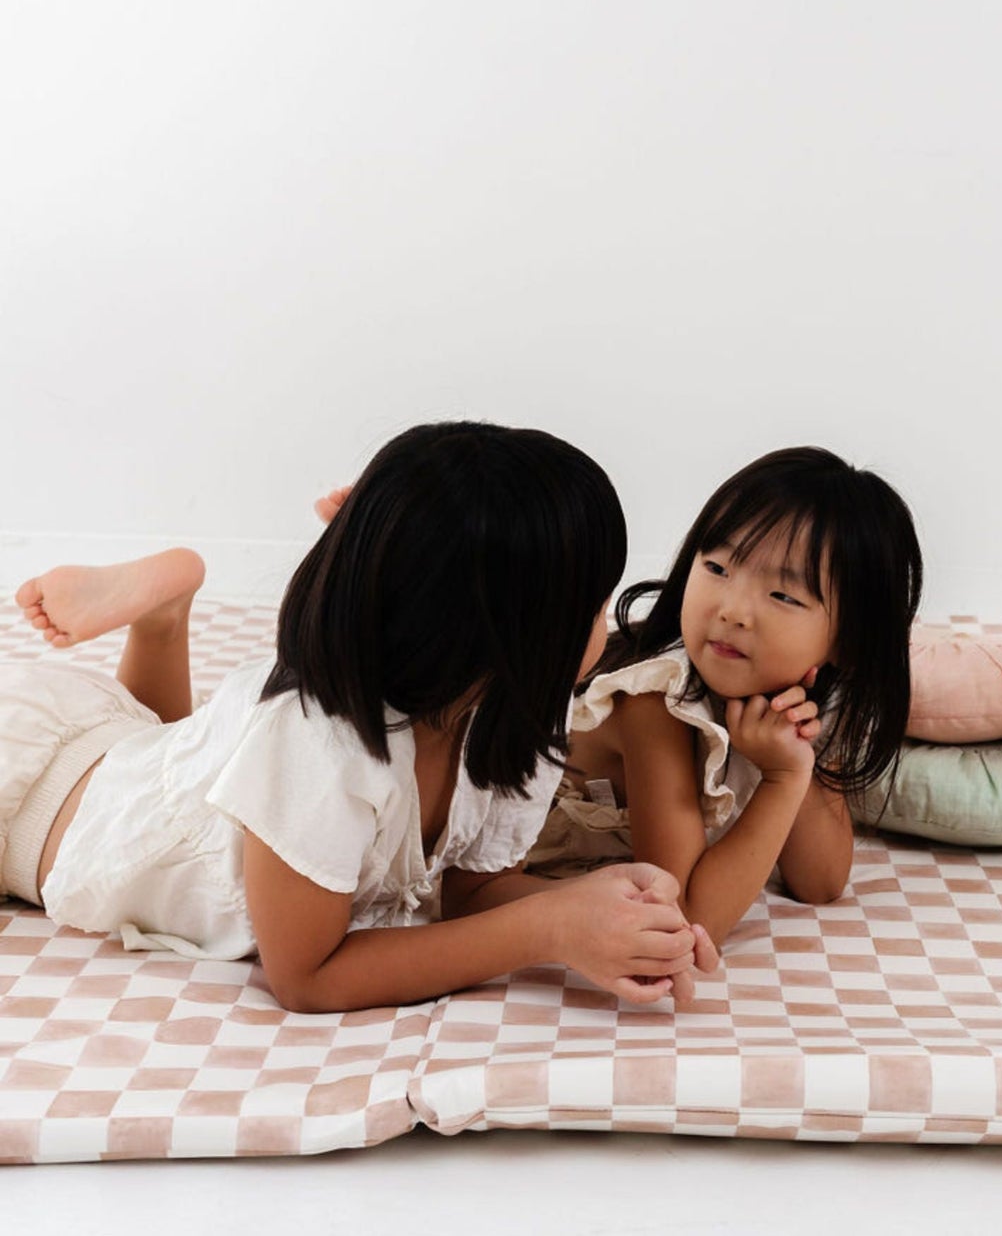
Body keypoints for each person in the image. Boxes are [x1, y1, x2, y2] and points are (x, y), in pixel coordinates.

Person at [2, 421, 714, 1012]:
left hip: (129, 769)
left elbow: (474, 890)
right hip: (20, 795)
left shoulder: (517, 705)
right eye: (592, 604)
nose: (607, 624)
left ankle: (163, 616)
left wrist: (604, 908)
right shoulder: (320, 744)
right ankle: (162, 615)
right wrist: (547, 928)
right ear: (505, 634)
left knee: (157, 774)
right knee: (135, 800)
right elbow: (307, 976)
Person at [525, 446, 923, 947]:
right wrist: (781, 779)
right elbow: (688, 918)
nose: (732, 611)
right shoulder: (653, 703)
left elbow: (820, 882)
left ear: (847, 642)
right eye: (717, 568)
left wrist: (795, 758)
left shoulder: (806, 698)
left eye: (783, 595)